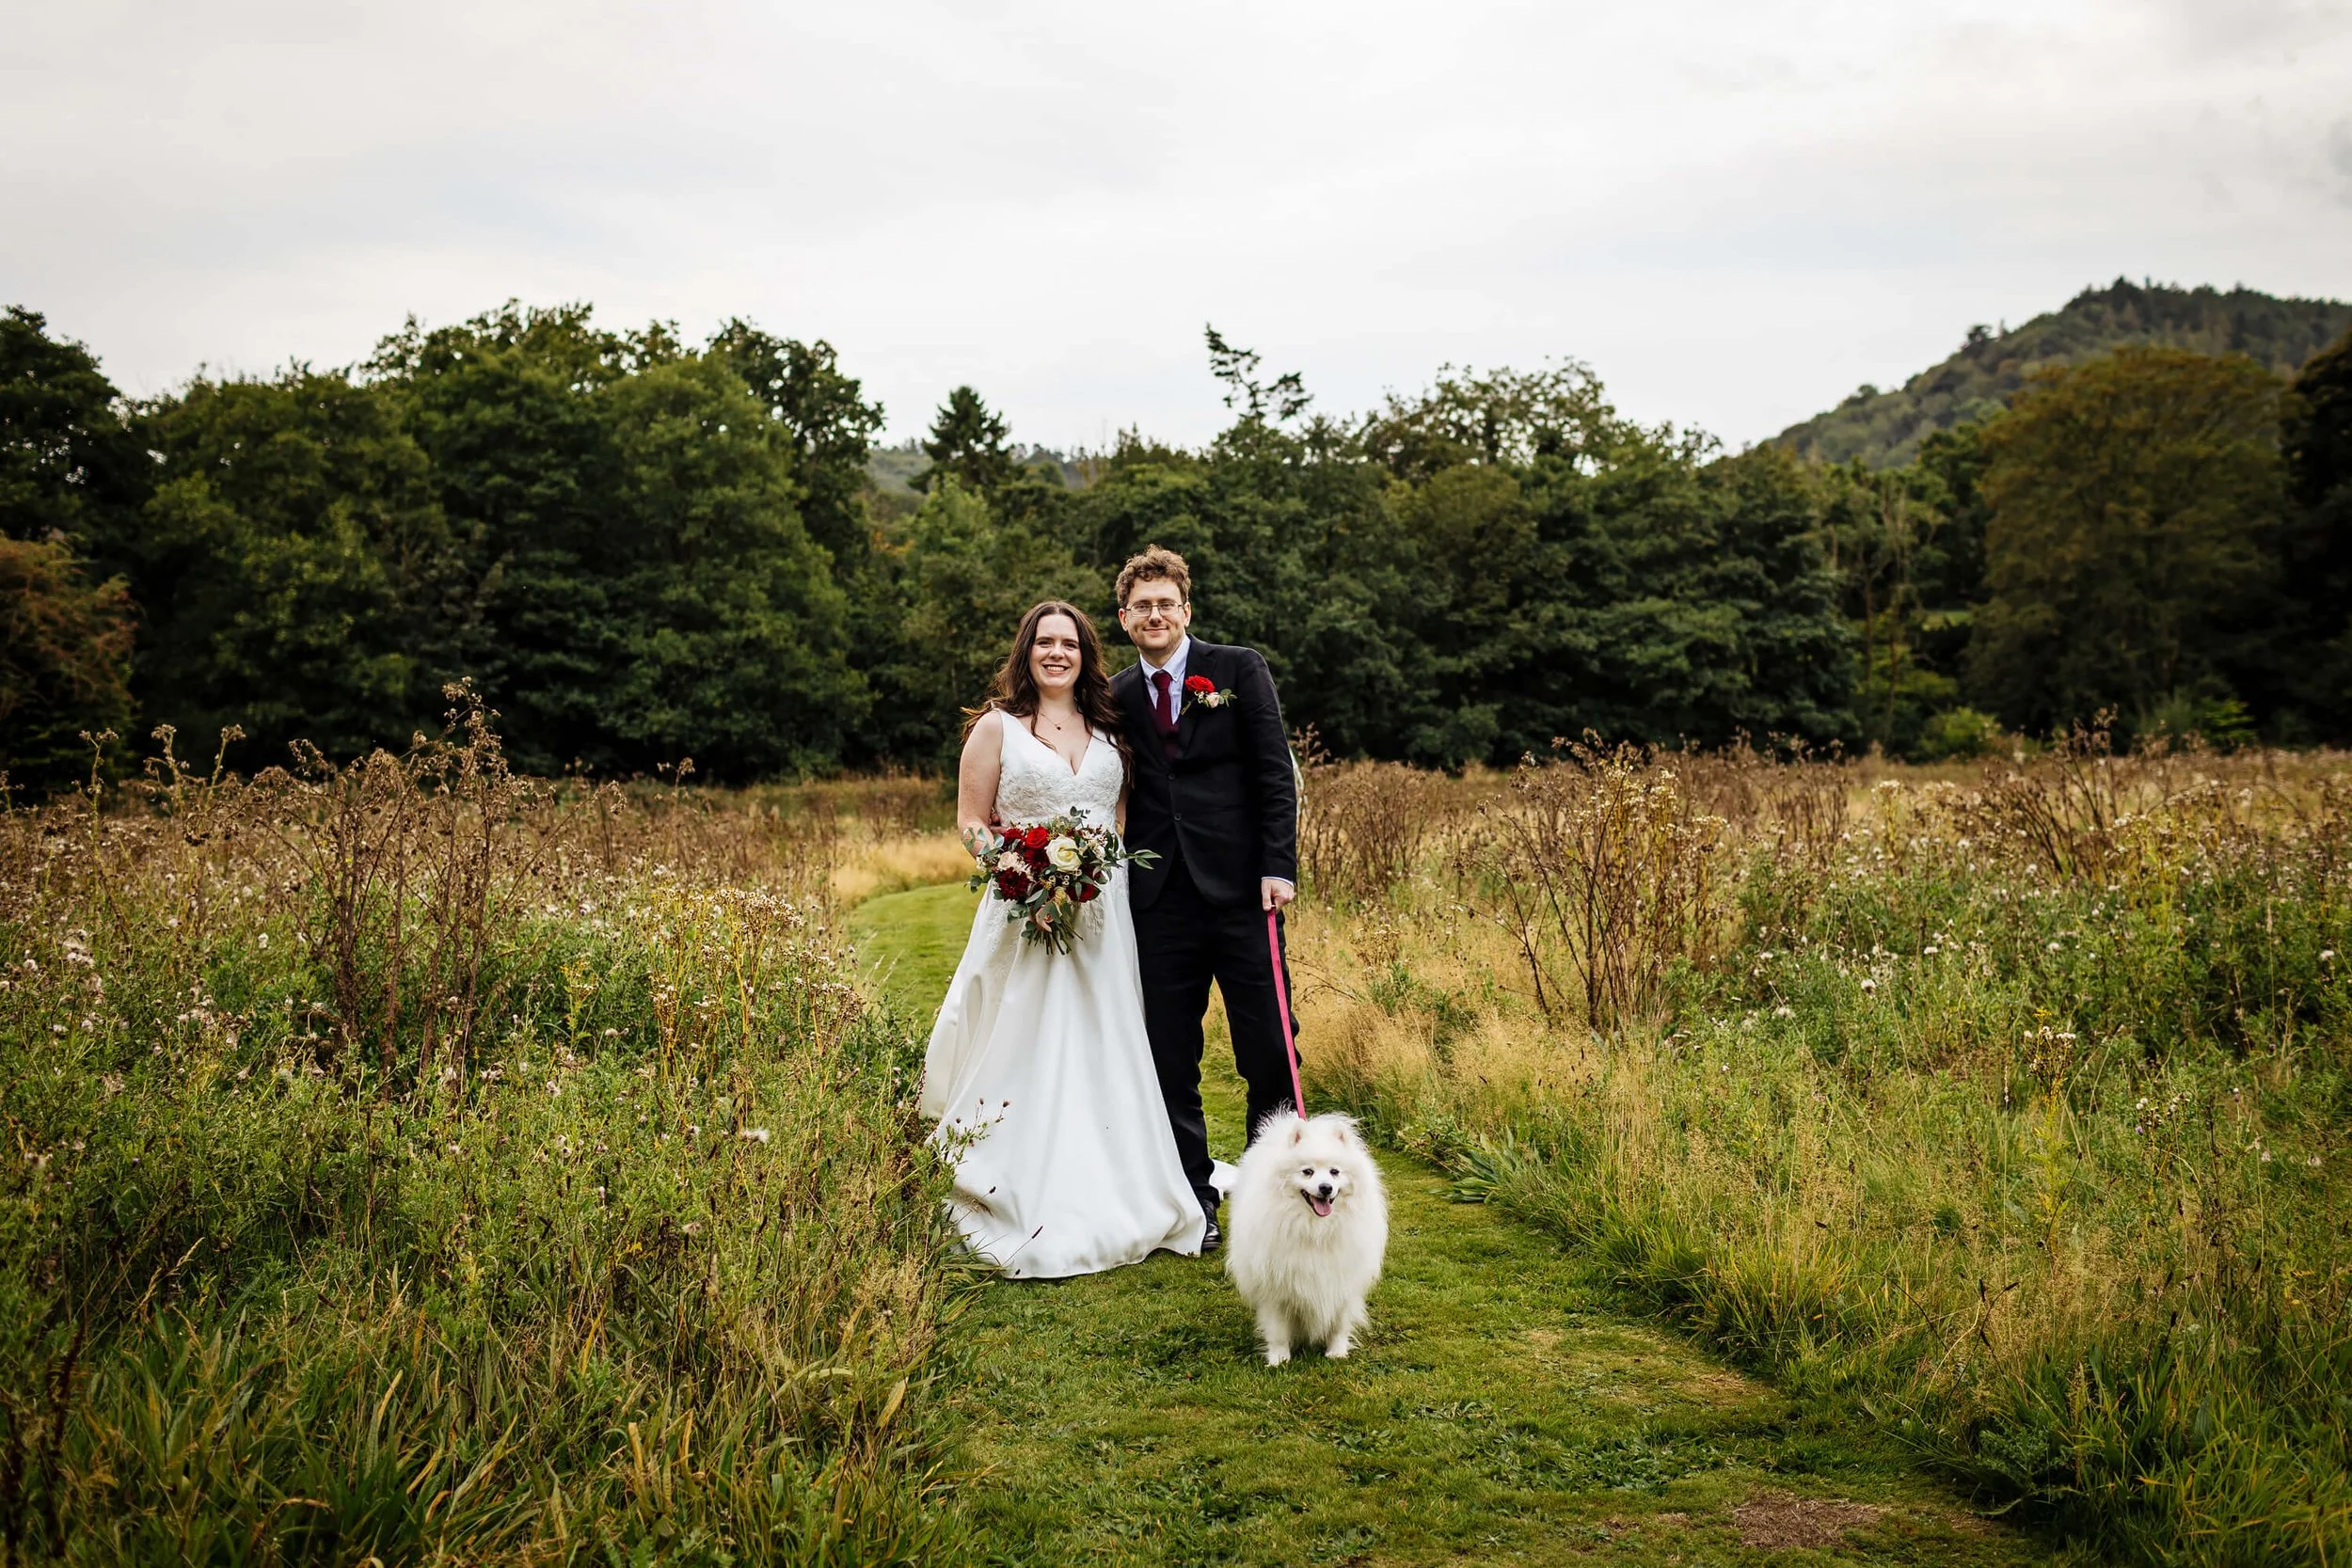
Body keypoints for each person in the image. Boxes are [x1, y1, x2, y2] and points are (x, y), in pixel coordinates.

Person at [917, 600, 1206, 1277]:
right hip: (1023, 912)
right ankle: (1011, 1178)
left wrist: (1097, 880)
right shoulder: (997, 728)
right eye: (1044, 642)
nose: (1056, 652)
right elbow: (971, 822)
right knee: (1024, 1037)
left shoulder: (1109, 728)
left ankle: (1119, 1177)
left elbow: (1119, 822)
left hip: (1103, 916)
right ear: (1026, 651)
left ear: (1084, 653)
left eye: (1068, 642)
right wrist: (1024, 877)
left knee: (1105, 1038)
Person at [1108, 546, 1301, 1255]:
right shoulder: (1119, 694)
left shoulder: (1237, 668)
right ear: (1125, 618)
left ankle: (1273, 1192)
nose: (1155, 615)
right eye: (1141, 605)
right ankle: (1194, 1199)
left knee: (1270, 1050)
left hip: (1245, 892)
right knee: (1168, 1056)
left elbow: (1275, 775)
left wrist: (1278, 865)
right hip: (1159, 901)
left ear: (1186, 611)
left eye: (1167, 603)